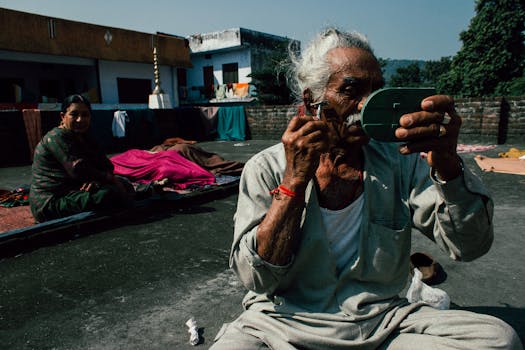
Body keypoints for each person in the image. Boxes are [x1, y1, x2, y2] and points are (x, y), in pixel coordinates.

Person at [210, 28, 522, 349]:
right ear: (312, 99)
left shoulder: (403, 160)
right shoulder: (267, 167)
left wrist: (446, 162)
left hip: (382, 320)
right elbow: (257, 279)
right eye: (352, 90)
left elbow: (469, 246)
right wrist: (294, 182)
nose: (368, 105)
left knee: (499, 340)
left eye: (376, 91)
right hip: (283, 321)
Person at [30, 94, 133, 222]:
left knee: (125, 184)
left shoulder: (86, 137)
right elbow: (77, 169)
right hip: (51, 202)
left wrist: (97, 181)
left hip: (74, 191)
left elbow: (106, 165)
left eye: (85, 115)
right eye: (74, 114)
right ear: (63, 116)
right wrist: (106, 178)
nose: (80, 120)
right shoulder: (56, 137)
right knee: (110, 193)